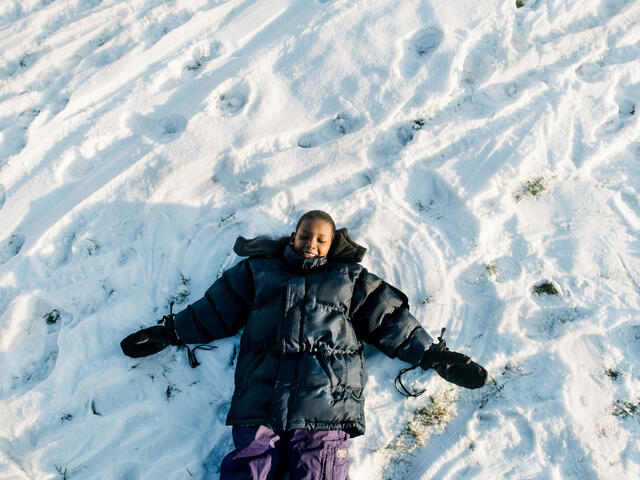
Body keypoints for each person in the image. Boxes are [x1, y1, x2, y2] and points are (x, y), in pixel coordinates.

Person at [121, 210, 487, 479]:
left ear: (331, 245)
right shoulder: (258, 272)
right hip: (262, 397)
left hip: (325, 402)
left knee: (319, 469)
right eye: (304, 236)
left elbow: (388, 319)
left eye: (320, 239)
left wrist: (435, 355)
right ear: (292, 237)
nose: (310, 244)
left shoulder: (349, 278)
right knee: (250, 465)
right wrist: (169, 333)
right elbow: (217, 308)